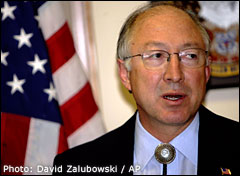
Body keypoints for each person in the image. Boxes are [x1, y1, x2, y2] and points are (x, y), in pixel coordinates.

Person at [53, 2, 239, 175]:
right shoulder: (78, 166)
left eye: (190, 56)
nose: (175, 75)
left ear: (206, 71)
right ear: (125, 74)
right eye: (156, 55)